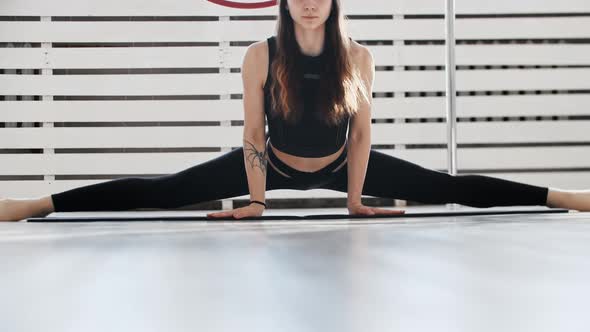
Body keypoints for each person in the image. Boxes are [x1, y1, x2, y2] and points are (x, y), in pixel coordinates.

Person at [1, 0, 589, 222]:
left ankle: (564, 197)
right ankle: (35, 203)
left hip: (339, 165)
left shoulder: (359, 56)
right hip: (271, 164)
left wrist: (356, 200)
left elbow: (361, 136)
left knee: (447, 186)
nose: (310, 2)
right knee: (162, 190)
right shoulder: (260, 54)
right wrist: (257, 200)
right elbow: (252, 132)